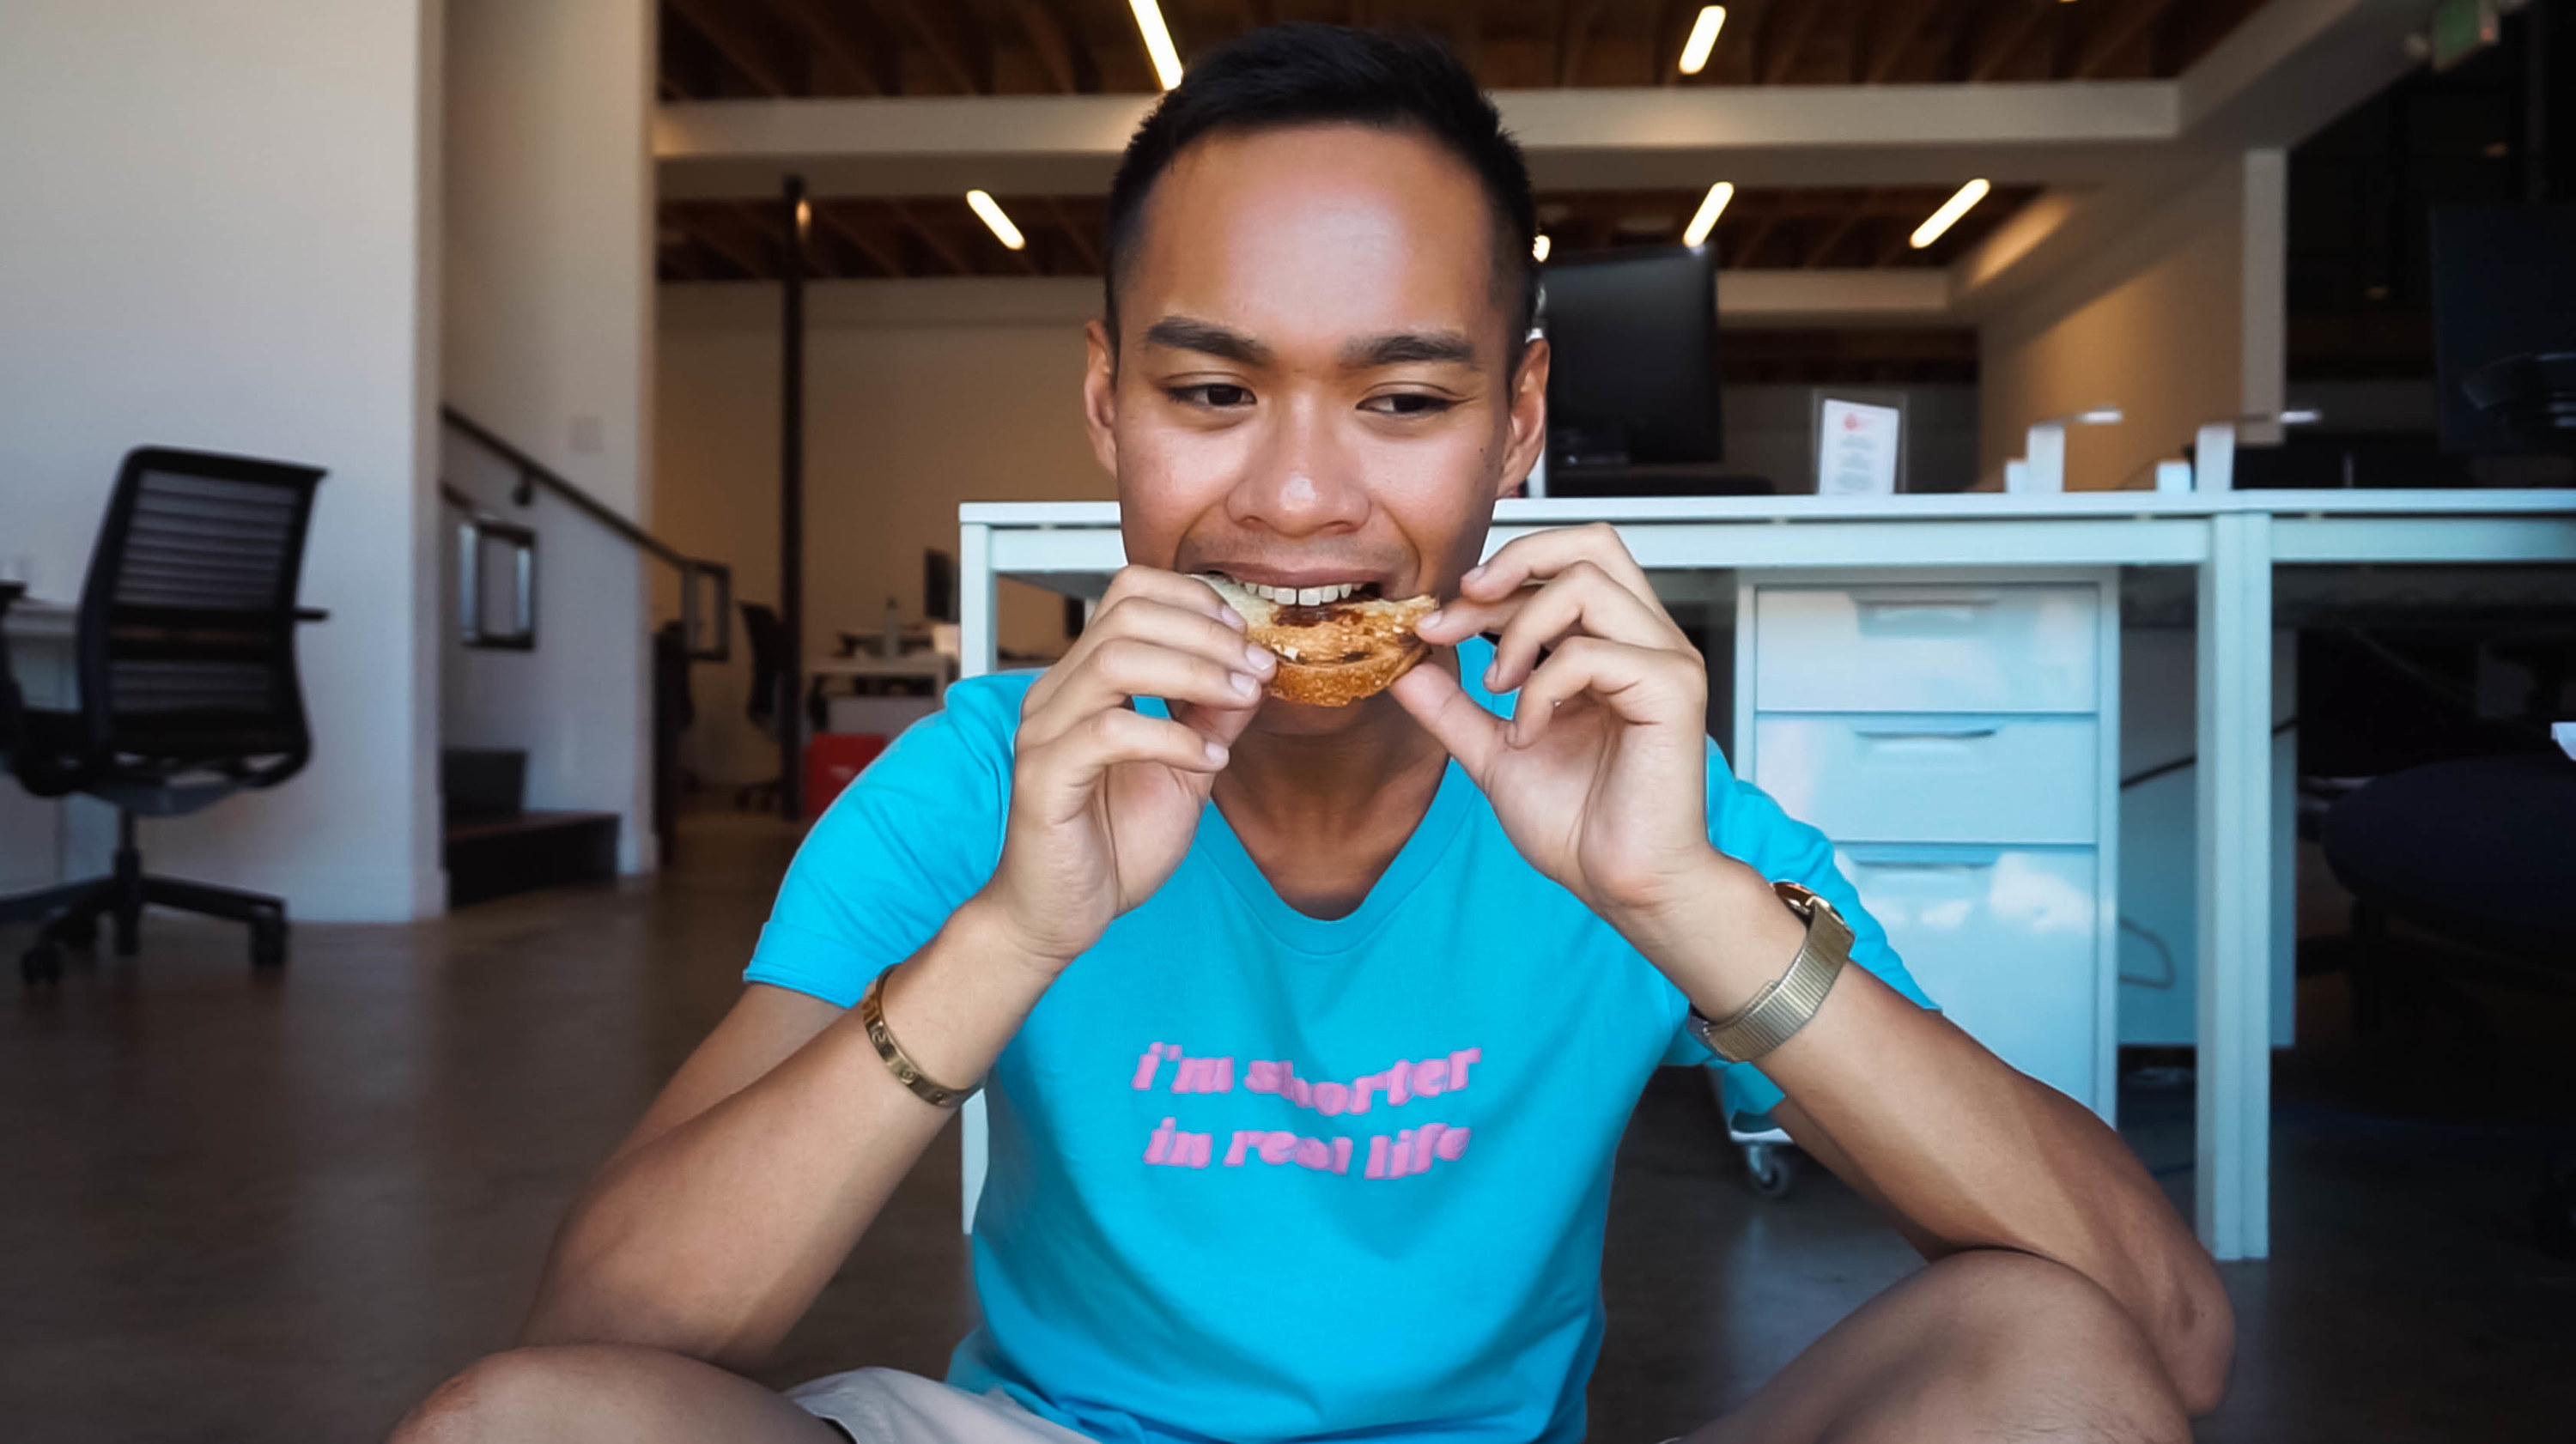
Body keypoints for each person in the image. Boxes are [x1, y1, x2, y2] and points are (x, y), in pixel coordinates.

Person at [393, 24, 2230, 1444]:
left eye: (1404, 398)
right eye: (1210, 390)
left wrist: (1687, 902)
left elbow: (2162, 1330)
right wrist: (1010, 939)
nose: (1294, 495)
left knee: (2047, 1361)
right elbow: (596, 1339)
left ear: (1517, 424)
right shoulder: (977, 785)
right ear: (1109, 404)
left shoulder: (1636, 799)